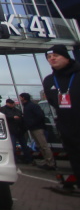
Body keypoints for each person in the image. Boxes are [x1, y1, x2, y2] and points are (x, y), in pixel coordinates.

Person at [42, 44, 80, 190]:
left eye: (55, 56)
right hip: (68, 128)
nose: (52, 59)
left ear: (66, 56)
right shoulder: (49, 81)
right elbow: (53, 102)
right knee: (76, 160)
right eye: (49, 57)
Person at [19, 92, 55, 170]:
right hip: (33, 128)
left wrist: (32, 123)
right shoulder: (27, 106)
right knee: (40, 146)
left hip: (37, 128)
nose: (20, 99)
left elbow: (40, 116)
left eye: (20, 97)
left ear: (24, 98)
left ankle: (51, 162)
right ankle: (47, 161)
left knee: (44, 145)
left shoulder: (32, 106)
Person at [0, 98, 32, 164]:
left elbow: (21, 116)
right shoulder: (4, 109)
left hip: (18, 130)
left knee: (23, 145)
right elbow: (3, 117)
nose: (12, 105)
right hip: (11, 130)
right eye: (11, 104)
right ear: (7, 103)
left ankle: (28, 158)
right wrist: (12, 117)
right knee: (13, 146)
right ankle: (15, 160)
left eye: (13, 104)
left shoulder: (15, 110)